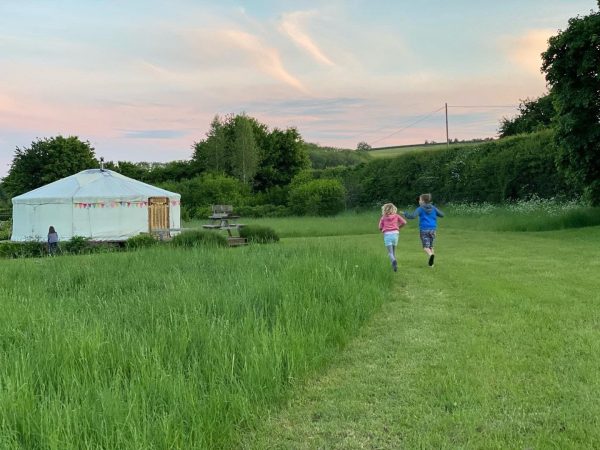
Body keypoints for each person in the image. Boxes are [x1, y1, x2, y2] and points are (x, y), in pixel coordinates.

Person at [402, 193, 444, 267]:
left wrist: (405, 214)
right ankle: (432, 264)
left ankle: (431, 255)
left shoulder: (420, 208)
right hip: (433, 229)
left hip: (424, 229)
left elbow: (412, 216)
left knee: (425, 247)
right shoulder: (433, 208)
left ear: (423, 201)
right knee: (431, 246)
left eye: (420, 199)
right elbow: (442, 215)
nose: (419, 201)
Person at [379, 203, 407, 272]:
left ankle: (394, 261)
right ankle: (394, 266)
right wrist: (398, 227)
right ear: (393, 209)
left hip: (387, 235)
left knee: (390, 253)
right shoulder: (396, 216)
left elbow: (380, 227)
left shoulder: (383, 217)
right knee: (394, 252)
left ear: (384, 210)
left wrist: (383, 230)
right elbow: (404, 222)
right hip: (395, 234)